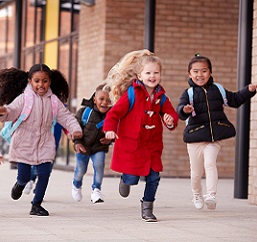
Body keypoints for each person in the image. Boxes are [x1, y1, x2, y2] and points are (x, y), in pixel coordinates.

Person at [103, 49, 179, 222]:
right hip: (133, 146)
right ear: (140, 75)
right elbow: (114, 114)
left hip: (152, 146)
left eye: (156, 73)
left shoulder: (162, 97)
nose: (152, 76)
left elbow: (171, 115)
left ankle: (147, 208)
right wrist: (110, 129)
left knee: (154, 177)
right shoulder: (131, 94)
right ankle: (125, 179)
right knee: (132, 178)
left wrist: (169, 120)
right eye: (148, 73)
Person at [176, 54, 257, 211]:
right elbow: (180, 111)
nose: (200, 75)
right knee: (196, 173)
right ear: (190, 74)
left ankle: (211, 195)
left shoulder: (218, 89)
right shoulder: (189, 93)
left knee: (210, 163)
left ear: (210, 72)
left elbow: (235, 99)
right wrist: (185, 110)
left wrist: (248, 90)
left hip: (214, 138)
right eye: (196, 71)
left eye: (204, 71)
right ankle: (197, 194)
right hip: (195, 138)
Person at [0, 64, 82, 216]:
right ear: (30, 81)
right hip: (24, 142)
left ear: (49, 82)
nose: (41, 85)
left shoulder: (54, 101)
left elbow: (66, 116)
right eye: (37, 81)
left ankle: (36, 205)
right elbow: (12, 112)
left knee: (44, 173)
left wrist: (75, 129)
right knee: (24, 176)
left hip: (45, 142)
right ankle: (20, 184)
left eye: (44, 81)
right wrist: (4, 112)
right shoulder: (24, 99)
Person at [72, 83, 112, 203]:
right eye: (101, 99)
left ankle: (96, 190)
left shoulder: (112, 115)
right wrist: (77, 142)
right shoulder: (85, 112)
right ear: (94, 99)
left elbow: (118, 129)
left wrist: (111, 139)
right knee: (80, 170)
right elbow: (75, 127)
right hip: (83, 146)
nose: (105, 103)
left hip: (99, 147)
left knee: (99, 166)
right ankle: (76, 185)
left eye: (109, 100)